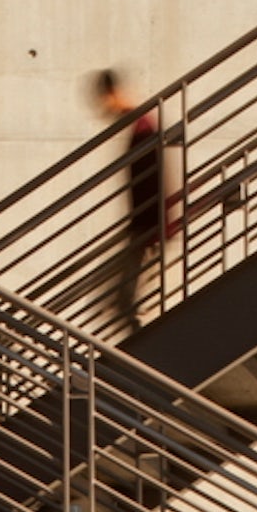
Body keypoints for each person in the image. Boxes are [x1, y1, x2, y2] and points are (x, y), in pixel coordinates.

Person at [90, 68, 165, 337]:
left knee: (123, 298)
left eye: (102, 100)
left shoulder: (144, 127)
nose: (103, 108)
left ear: (112, 93)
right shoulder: (141, 124)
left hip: (148, 225)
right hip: (145, 224)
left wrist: (155, 227)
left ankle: (140, 351)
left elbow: (154, 180)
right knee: (120, 297)